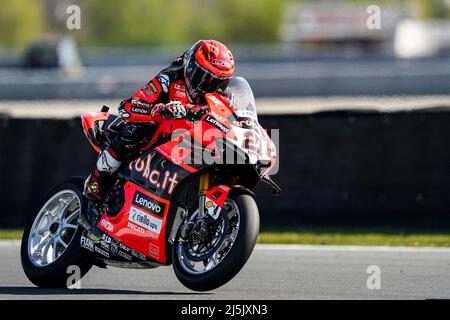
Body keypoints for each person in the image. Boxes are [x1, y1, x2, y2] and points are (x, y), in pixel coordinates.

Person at [83, 39, 236, 202]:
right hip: (155, 137)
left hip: (190, 146)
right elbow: (127, 106)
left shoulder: (225, 98)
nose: (209, 85)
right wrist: (160, 110)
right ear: (191, 67)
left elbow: (234, 123)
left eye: (218, 81)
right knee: (136, 129)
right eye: (204, 77)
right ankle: (96, 182)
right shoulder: (169, 77)